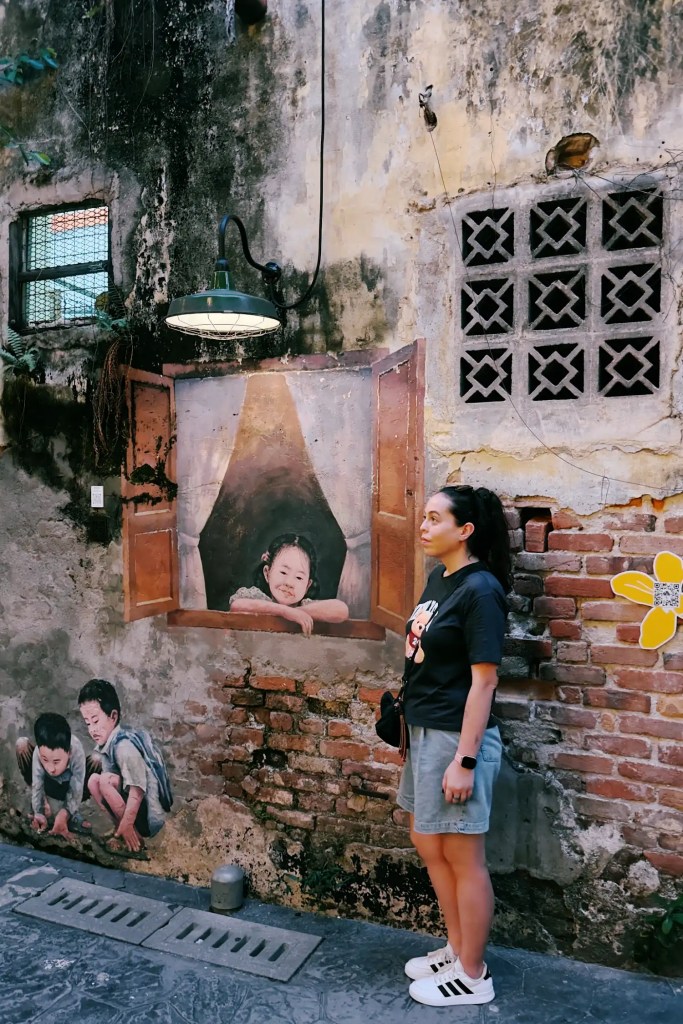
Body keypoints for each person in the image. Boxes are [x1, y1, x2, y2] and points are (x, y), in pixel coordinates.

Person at [398, 484, 511, 1007]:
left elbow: (484, 683)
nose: (423, 526)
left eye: (434, 518)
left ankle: (473, 973)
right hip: (425, 731)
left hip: (456, 736)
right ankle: (457, 946)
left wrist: (464, 760)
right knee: (430, 844)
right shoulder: (439, 579)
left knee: (464, 856)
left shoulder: (481, 589)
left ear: (464, 530)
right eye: (424, 517)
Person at [78, 678, 166, 857]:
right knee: (94, 781)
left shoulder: (124, 747)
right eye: (88, 723)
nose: (92, 729)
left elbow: (137, 790)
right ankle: (123, 832)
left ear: (113, 716)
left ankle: (132, 837)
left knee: (104, 780)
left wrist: (128, 824)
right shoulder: (107, 746)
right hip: (135, 811)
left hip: (148, 816)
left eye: (95, 721)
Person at [229, 533, 349, 636]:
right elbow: (237, 606)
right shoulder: (257, 599)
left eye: (299, 577)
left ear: (308, 585)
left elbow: (341, 610)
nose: (289, 583)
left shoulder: (306, 607)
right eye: (283, 572)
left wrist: (297, 612)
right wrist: (285, 612)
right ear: (267, 573)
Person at [15, 712, 98, 840]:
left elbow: (76, 787)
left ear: (69, 753)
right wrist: (38, 812)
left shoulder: (76, 750)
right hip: (49, 785)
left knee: (97, 760)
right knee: (22, 745)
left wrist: (64, 815)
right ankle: (45, 805)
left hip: (67, 786)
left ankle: (72, 816)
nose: (50, 768)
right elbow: (37, 783)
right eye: (45, 759)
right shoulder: (38, 753)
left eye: (56, 761)